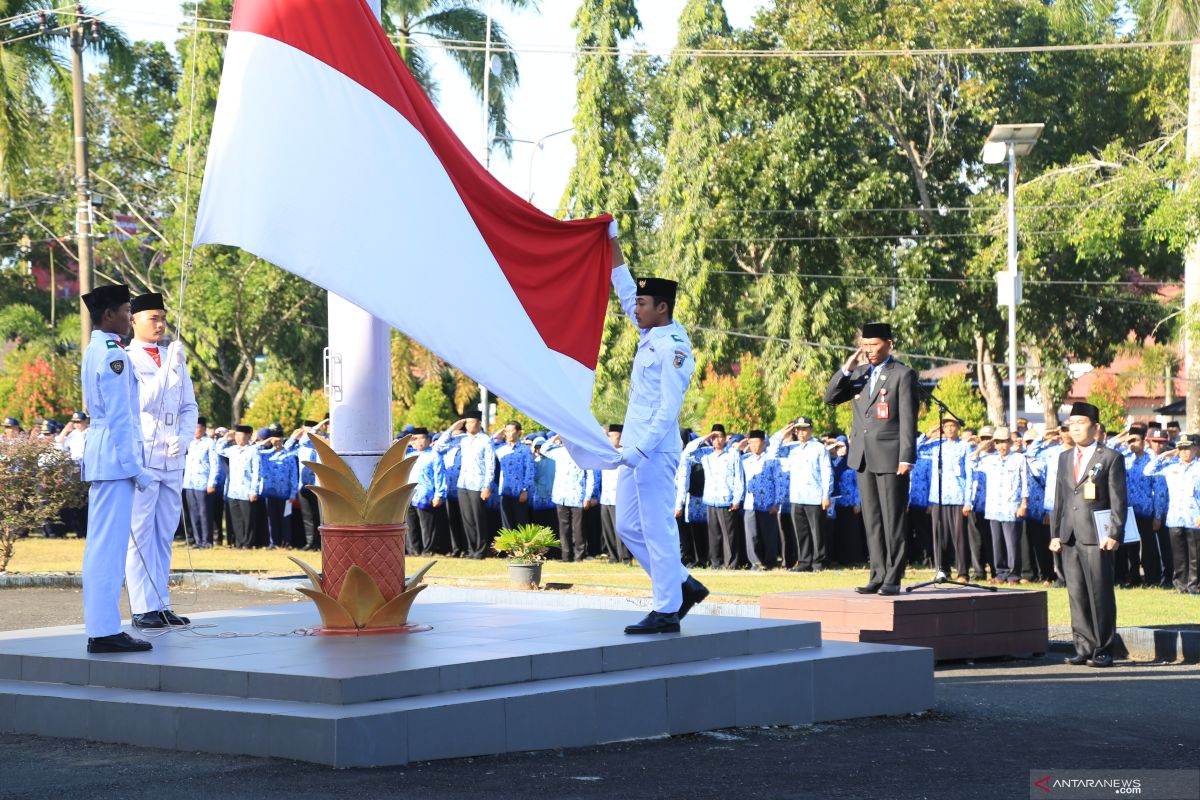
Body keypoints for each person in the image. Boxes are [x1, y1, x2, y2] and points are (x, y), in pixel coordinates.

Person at [609, 226, 708, 634]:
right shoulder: (651, 333)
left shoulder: (673, 348)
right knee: (627, 526)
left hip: (653, 451)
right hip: (634, 450)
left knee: (657, 527)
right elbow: (624, 288)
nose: (635, 308)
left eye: (643, 304)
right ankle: (681, 584)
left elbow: (669, 409)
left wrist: (640, 450)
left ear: (662, 308)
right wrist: (610, 239)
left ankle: (667, 608)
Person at [79, 284, 154, 653]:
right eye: (126, 310)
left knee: (102, 547)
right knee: (107, 550)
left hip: (106, 458)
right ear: (109, 314)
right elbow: (122, 420)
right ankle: (104, 630)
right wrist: (135, 468)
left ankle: (103, 627)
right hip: (114, 460)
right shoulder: (112, 355)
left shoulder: (100, 349)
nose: (130, 317)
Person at [824, 323, 918, 595]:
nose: (869, 351)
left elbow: (908, 421)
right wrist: (847, 369)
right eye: (865, 346)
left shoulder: (902, 374)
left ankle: (893, 576)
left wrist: (907, 457)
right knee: (873, 519)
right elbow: (830, 398)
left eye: (874, 345)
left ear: (889, 344)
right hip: (862, 456)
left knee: (893, 519)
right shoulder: (861, 373)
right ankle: (876, 573)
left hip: (891, 457)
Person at [123, 292, 196, 630]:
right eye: (152, 317)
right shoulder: (128, 359)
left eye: (162, 317)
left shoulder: (173, 356)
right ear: (133, 321)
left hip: (171, 457)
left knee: (165, 534)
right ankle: (141, 607)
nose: (160, 323)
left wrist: (184, 438)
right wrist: (168, 367)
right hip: (144, 458)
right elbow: (144, 403)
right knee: (140, 534)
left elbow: (188, 406)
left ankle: (161, 603)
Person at [1051, 402, 1128, 668]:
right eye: (1071, 424)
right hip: (1070, 535)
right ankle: (1083, 647)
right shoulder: (1064, 457)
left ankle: (1103, 649)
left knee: (1100, 593)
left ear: (1095, 428)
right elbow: (1060, 498)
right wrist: (1055, 534)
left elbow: (1118, 499)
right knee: (1077, 593)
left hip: (1098, 535)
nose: (1074, 428)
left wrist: (1115, 532)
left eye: (1080, 423)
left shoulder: (1110, 457)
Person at [769, 417, 832, 572]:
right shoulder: (792, 447)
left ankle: (819, 562)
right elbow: (772, 452)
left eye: (804, 429)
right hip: (797, 496)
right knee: (801, 532)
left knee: (817, 532)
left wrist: (826, 495)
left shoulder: (819, 448)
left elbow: (826, 471)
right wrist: (782, 433)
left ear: (811, 430)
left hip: (815, 496)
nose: (801, 433)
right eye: (798, 429)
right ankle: (804, 561)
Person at [971, 426, 1028, 585]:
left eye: (1005, 442)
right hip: (994, 508)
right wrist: (981, 447)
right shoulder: (989, 460)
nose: (1002, 446)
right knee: (997, 543)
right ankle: (1000, 573)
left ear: (1010, 442)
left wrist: (1024, 503)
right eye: (998, 442)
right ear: (994, 444)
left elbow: (1025, 482)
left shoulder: (1019, 458)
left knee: (1012, 543)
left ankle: (1014, 574)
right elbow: (971, 463)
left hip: (1011, 506)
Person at [684, 424, 746, 570]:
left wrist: (737, 499)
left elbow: (739, 477)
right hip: (711, 499)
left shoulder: (733, 454)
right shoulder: (706, 454)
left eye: (720, 437)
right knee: (714, 534)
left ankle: (731, 563)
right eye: (714, 437)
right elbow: (687, 453)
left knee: (729, 535)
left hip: (727, 500)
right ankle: (715, 562)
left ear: (725, 438)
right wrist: (705, 438)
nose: (717, 440)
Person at [1144, 434, 1200, 594]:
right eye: (1181, 448)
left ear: (1195, 449)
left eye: (1187, 448)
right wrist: (1165, 455)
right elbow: (1148, 471)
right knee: (1178, 555)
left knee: (1195, 555)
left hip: (1194, 517)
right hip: (1175, 517)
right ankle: (1180, 585)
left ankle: (1194, 586)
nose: (1184, 452)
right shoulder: (1172, 467)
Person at [435, 412, 495, 559]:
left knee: (478, 518)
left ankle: (480, 550)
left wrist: (487, 485)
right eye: (466, 423)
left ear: (479, 423)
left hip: (478, 484)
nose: (469, 425)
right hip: (463, 483)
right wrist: (452, 428)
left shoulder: (485, 440)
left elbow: (490, 464)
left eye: (472, 422)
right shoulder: (461, 439)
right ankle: (471, 549)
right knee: (467, 519)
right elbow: (438, 446)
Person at [919, 419, 971, 581]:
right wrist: (928, 434)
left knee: (959, 536)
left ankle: (962, 572)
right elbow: (914, 449)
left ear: (957, 428)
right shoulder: (936, 446)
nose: (949, 429)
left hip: (957, 496)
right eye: (946, 426)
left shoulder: (964, 446)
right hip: (938, 497)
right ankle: (943, 570)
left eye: (952, 426)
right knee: (939, 536)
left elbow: (970, 474)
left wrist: (968, 500)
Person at [542, 435, 599, 562]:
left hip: (577, 496)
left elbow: (590, 477)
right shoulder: (559, 452)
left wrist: (587, 496)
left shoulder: (583, 454)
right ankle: (566, 556)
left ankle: (579, 556)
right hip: (560, 495)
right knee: (563, 528)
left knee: (578, 528)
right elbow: (543, 449)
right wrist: (555, 436)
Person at [740, 429, 783, 570]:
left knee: (768, 535)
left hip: (768, 503)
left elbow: (778, 481)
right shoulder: (745, 460)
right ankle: (755, 562)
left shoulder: (771, 459)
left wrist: (777, 503)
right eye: (750, 442)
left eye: (756, 442)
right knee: (751, 535)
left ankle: (770, 562)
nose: (753, 445)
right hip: (750, 503)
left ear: (763, 442)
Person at [286, 419, 327, 551]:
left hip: (319, 486)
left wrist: (320, 426)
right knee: (307, 516)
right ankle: (310, 542)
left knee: (320, 516)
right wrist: (293, 436)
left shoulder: (323, 441)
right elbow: (286, 448)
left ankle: (320, 543)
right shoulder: (302, 444)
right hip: (303, 486)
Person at [406, 427, 448, 555]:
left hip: (426, 494)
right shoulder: (409, 455)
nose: (419, 442)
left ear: (429, 440)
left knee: (427, 526)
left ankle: (428, 550)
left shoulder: (434, 455)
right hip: (409, 495)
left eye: (422, 438)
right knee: (411, 525)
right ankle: (414, 550)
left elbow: (440, 476)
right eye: (415, 439)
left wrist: (439, 495)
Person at [220, 425, 261, 549]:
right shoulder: (232, 449)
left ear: (248, 436)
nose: (237, 438)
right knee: (236, 519)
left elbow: (257, 472)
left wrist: (254, 490)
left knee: (247, 519)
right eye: (236, 435)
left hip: (246, 490)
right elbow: (219, 449)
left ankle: (247, 543)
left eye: (240, 435)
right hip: (233, 490)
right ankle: (239, 542)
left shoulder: (253, 450)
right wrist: (227, 438)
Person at [258, 427, 298, 549]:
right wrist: (267, 441)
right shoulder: (265, 455)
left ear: (283, 440)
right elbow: (254, 450)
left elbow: (294, 475)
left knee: (286, 518)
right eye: (275, 441)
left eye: (279, 440)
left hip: (286, 494)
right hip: (270, 493)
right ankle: (273, 543)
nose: (277, 443)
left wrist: (293, 493)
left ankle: (287, 542)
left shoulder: (289, 456)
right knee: (272, 519)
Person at [492, 420, 534, 531]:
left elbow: (530, 471)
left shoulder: (525, 449)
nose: (509, 434)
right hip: (504, 491)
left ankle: (521, 548)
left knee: (521, 524)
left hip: (519, 492)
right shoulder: (501, 449)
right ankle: (509, 548)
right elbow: (489, 443)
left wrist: (525, 490)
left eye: (512, 431)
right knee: (506, 524)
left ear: (519, 432)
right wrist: (501, 430)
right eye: (507, 431)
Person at [599, 424, 631, 564]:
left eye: (614, 436)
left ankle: (625, 557)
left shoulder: (626, 453)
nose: (611, 439)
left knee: (620, 529)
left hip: (621, 497)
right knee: (608, 528)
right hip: (605, 496)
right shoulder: (606, 453)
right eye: (609, 436)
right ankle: (613, 556)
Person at [182, 417, 216, 548]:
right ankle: (197, 540)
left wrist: (211, 483)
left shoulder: (209, 442)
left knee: (204, 512)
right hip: (189, 482)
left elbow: (214, 464)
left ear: (203, 428)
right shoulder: (189, 442)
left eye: (198, 428)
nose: (196, 430)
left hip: (203, 482)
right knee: (193, 512)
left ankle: (207, 541)